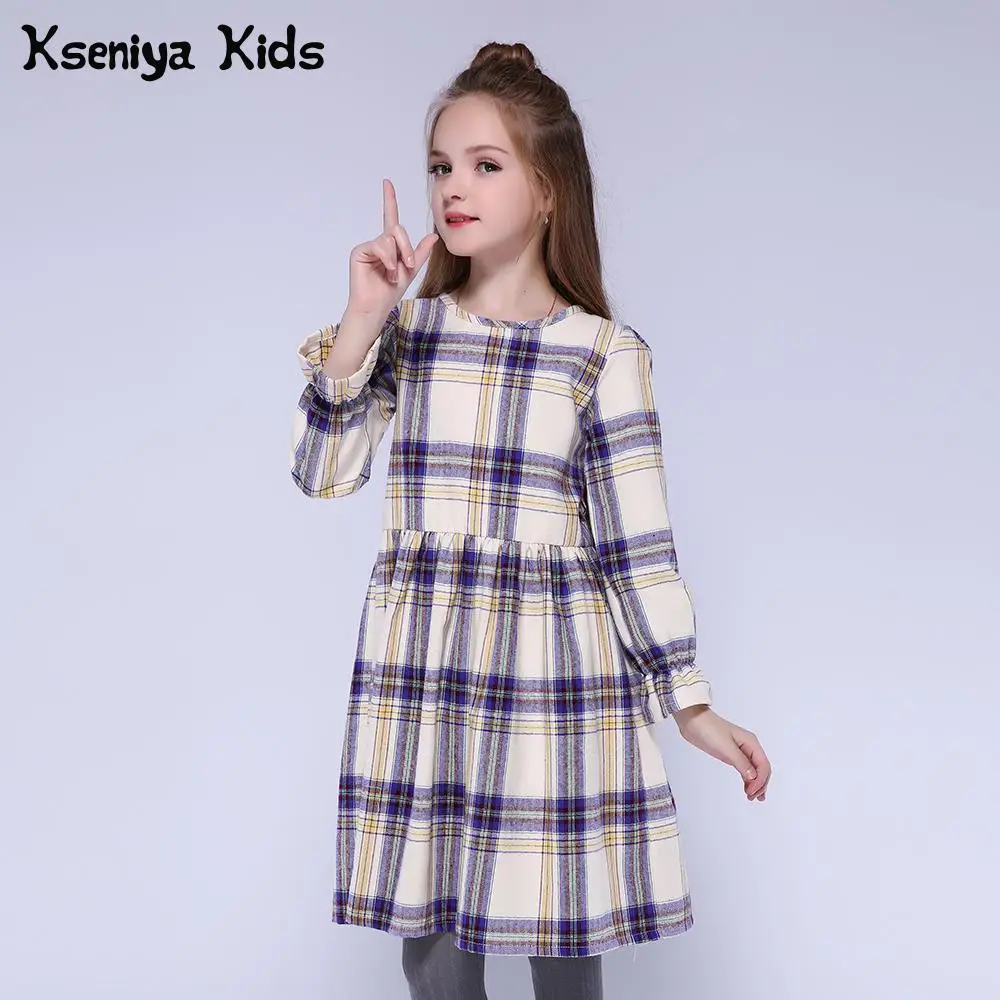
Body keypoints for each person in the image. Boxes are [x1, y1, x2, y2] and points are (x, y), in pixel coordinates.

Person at [290, 40, 771, 1000]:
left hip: (555, 678)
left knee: (561, 937)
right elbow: (322, 473)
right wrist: (363, 316)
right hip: (425, 677)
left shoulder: (601, 354)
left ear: (548, 189)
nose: (452, 188)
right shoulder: (410, 332)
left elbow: (637, 546)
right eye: (440, 167)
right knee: (433, 954)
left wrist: (690, 703)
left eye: (484, 164)